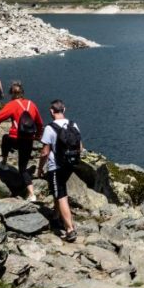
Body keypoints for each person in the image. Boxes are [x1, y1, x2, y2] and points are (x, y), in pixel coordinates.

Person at [36, 100, 82, 242]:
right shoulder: (73, 124)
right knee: (59, 189)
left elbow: (44, 152)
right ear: (64, 109)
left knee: (61, 195)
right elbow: (80, 147)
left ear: (51, 111)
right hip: (70, 165)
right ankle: (56, 217)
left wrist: (40, 168)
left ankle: (69, 229)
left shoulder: (50, 128)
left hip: (56, 166)